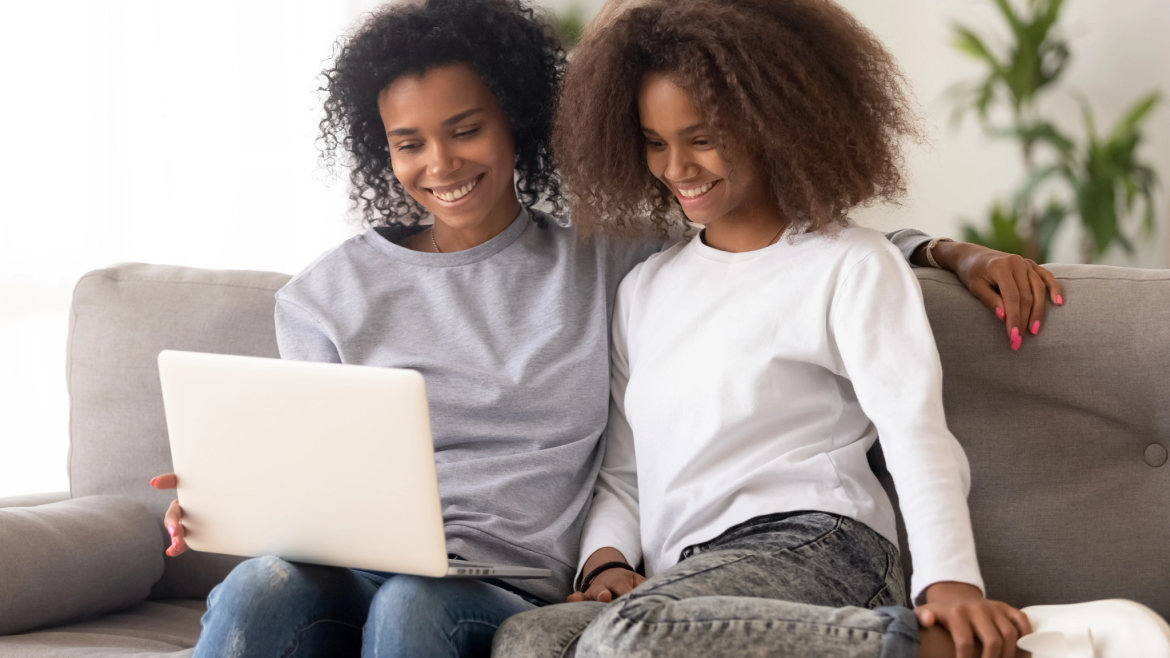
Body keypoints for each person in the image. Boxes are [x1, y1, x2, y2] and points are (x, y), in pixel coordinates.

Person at [147, 1, 1063, 656]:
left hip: (765, 547)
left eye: (464, 128)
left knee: (457, 622)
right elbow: (627, 450)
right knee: (309, 595)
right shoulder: (638, 282)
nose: (439, 163)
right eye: (408, 142)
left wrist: (942, 251)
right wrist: (226, 501)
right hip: (453, 567)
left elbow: (794, 275)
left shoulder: (614, 261)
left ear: (520, 124)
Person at [489, 1, 1164, 657]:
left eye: (703, 138)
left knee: (623, 644)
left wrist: (951, 585)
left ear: (772, 120)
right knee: (527, 641)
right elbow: (625, 472)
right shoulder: (644, 290)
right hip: (688, 576)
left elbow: (914, 430)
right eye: (656, 142)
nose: (677, 168)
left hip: (818, 544)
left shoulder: (850, 263)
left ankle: (940, 646)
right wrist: (604, 566)